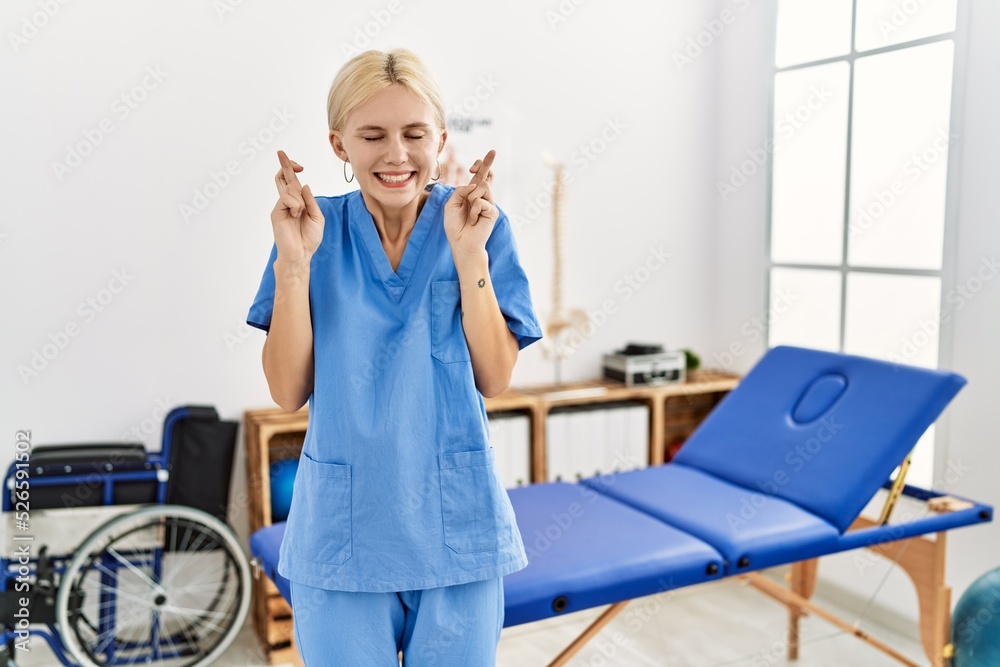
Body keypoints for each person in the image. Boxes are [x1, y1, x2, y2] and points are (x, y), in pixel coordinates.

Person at [246, 48, 542, 666]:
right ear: (338, 144)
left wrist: (469, 259)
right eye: (372, 135)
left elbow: (496, 377)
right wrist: (294, 265)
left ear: (439, 139)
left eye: (414, 134)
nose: (396, 154)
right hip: (342, 532)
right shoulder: (309, 229)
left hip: (456, 531)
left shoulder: (480, 225)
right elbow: (286, 390)